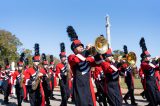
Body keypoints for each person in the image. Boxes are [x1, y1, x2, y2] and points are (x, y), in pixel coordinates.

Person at [67, 26, 96, 106]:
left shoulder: (87, 56)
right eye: (79, 46)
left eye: (82, 46)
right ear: (74, 49)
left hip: (88, 85)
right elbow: (77, 59)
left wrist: (96, 52)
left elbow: (97, 63)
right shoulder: (71, 57)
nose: (81, 47)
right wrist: (86, 51)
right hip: (79, 87)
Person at [140, 37, 160, 106]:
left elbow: (156, 68)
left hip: (154, 82)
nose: (150, 57)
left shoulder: (149, 62)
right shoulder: (143, 64)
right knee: (153, 102)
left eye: (149, 56)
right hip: (149, 83)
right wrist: (156, 60)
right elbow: (151, 66)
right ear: (144, 58)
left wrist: (158, 62)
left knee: (158, 99)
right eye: (148, 56)